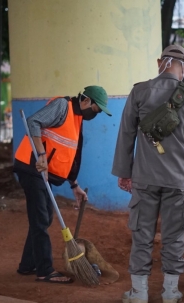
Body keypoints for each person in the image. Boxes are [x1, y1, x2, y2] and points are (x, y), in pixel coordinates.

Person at [112, 45, 184, 303]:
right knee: (174, 236)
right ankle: (170, 292)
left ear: (160, 62)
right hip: (178, 181)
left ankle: (139, 293)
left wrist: (125, 172)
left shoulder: (139, 91)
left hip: (144, 178)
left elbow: (126, 134)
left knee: (142, 235)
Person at [13, 86, 112, 284]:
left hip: (40, 172)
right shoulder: (62, 106)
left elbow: (68, 154)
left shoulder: (77, 118)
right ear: (85, 101)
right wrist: (41, 155)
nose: (96, 113)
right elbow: (33, 121)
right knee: (41, 218)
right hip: (32, 167)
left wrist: (74, 185)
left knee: (42, 217)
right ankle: (44, 271)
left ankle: (28, 264)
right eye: (96, 109)